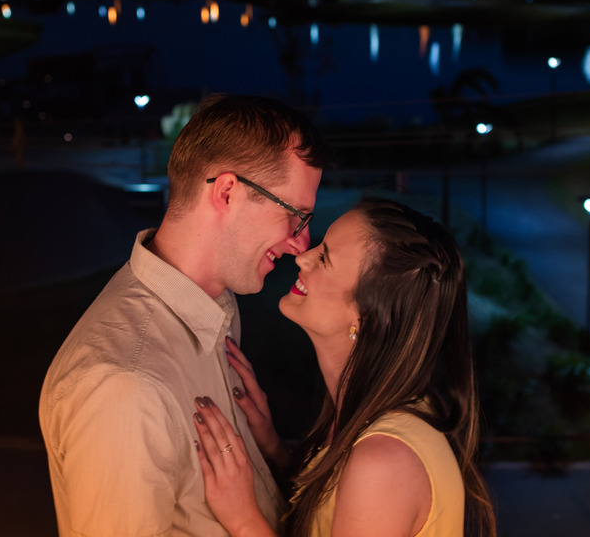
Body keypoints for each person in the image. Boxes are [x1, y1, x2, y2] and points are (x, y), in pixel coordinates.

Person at [39, 94, 331, 536]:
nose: (301, 243)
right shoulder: (127, 388)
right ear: (228, 192)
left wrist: (271, 447)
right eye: (294, 215)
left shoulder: (216, 305)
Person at [193, 197, 497, 537]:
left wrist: (243, 518)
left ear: (366, 319)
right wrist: (275, 450)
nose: (303, 257)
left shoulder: (383, 464)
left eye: (324, 258)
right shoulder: (382, 414)